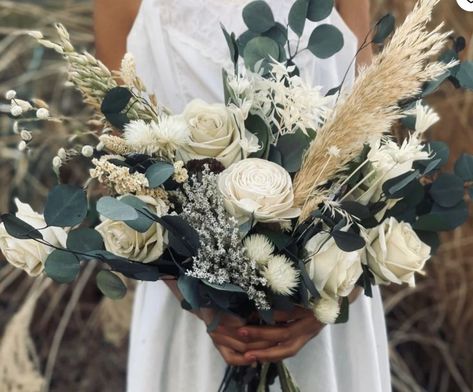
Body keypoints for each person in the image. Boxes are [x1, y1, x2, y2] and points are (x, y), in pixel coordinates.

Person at [94, 0, 391, 391]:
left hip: (327, 282)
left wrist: (335, 295)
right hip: (191, 309)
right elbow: (123, 156)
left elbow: (373, 123)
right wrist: (201, 299)